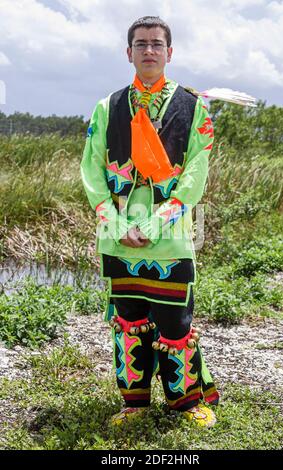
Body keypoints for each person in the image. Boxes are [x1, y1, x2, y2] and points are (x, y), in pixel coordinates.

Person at [81, 16, 219, 427]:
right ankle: (134, 404)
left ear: (169, 53)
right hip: (118, 236)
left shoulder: (194, 109)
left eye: (157, 44)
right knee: (128, 322)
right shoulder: (107, 108)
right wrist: (119, 225)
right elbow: (91, 171)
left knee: (176, 323)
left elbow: (194, 175)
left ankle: (187, 403)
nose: (149, 51)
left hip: (171, 235)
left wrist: (155, 225)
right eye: (140, 44)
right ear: (129, 53)